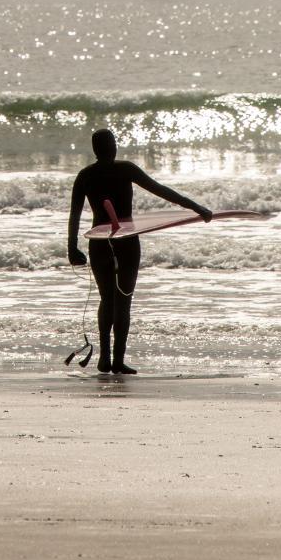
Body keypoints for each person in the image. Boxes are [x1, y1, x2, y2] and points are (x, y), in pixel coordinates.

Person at [67, 128, 212, 376]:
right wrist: (195, 207)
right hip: (126, 241)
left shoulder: (85, 175)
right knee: (123, 300)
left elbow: (75, 214)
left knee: (107, 299)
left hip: (99, 242)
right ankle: (118, 360)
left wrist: (72, 247)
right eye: (112, 143)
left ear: (94, 149)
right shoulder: (125, 169)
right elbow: (162, 190)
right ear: (112, 147)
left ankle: (105, 359)